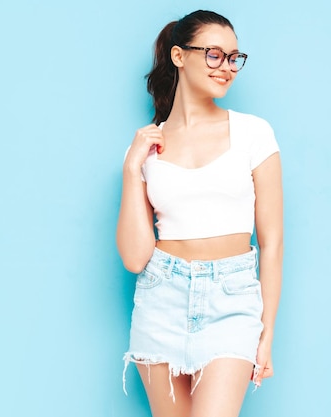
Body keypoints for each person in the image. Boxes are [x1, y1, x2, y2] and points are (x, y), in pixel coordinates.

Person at [117, 9, 283, 417]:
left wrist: (266, 336)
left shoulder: (253, 133)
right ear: (178, 56)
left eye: (234, 58)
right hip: (161, 297)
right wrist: (130, 168)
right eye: (214, 55)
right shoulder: (144, 149)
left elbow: (273, 242)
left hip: (232, 299)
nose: (227, 67)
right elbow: (135, 257)